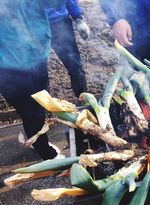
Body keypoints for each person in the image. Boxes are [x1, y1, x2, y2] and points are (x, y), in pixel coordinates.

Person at [0, 0, 67, 160]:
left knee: (39, 102)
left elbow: (53, 4)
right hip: (10, 62)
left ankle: (35, 136)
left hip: (36, 53)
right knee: (31, 110)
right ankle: (46, 153)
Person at [47, 0, 90, 98]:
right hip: (32, 26)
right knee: (37, 69)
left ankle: (83, 100)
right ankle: (41, 108)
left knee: (74, 65)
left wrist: (78, 18)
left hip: (58, 21)